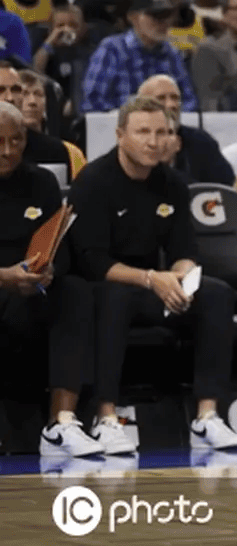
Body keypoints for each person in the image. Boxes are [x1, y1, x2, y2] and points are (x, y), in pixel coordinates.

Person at [69, 96, 237, 453]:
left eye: (162, 132)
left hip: (153, 285)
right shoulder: (93, 180)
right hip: (101, 286)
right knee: (115, 298)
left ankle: (207, 416)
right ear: (120, 135)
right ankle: (105, 417)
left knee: (216, 294)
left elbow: (185, 250)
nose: (154, 142)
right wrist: (153, 278)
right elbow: (94, 263)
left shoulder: (173, 184)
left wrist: (183, 278)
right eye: (143, 132)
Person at [0, 101, 102, 457]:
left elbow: (61, 248)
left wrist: (49, 270)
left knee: (75, 290)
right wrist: (5, 277)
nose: (7, 150)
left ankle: (61, 423)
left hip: (29, 291)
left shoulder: (41, 181)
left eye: (16, 140)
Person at [80, 0, 197, 113]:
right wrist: (125, 117)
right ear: (134, 17)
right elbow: (93, 100)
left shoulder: (172, 53)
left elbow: (189, 99)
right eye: (156, 16)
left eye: (167, 16)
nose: (163, 22)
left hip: (166, 122)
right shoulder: (112, 49)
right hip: (120, 121)